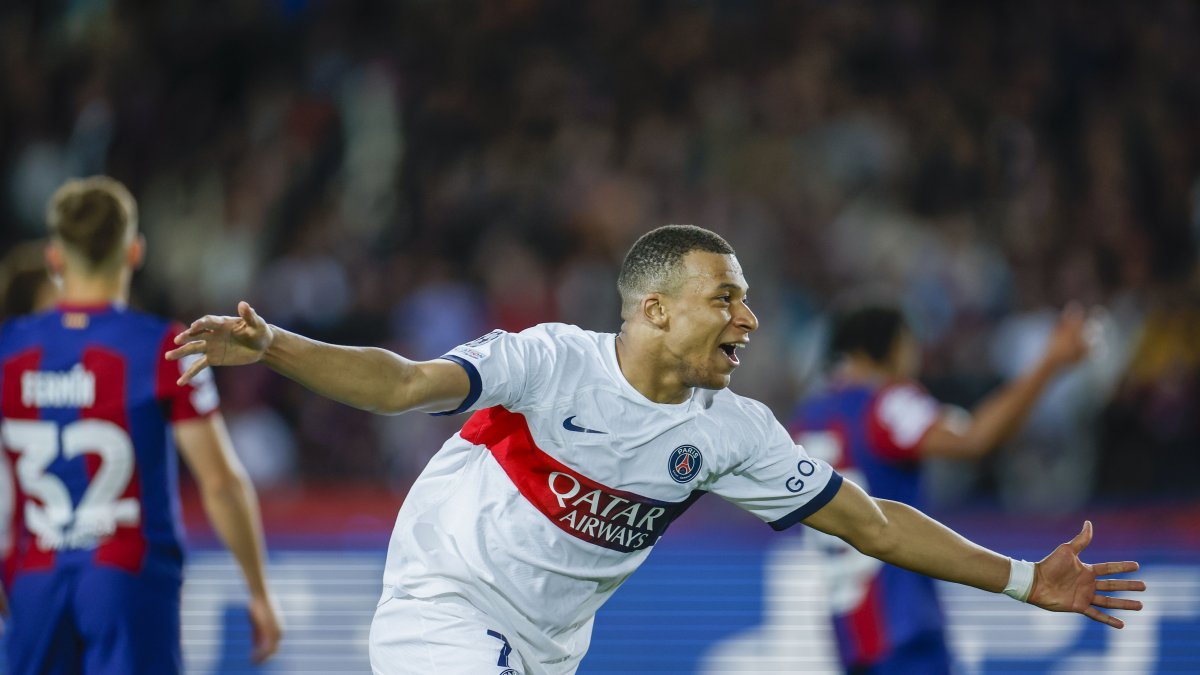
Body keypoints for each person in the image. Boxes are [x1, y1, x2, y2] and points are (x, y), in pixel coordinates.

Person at [169, 224, 1143, 675]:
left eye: (749, 299)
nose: (750, 318)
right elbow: (402, 383)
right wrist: (277, 345)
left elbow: (874, 523)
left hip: (546, 654)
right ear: (654, 308)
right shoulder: (548, 363)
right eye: (728, 298)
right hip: (445, 613)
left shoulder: (732, 435)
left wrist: (1023, 580)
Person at [0, 177, 282, 673]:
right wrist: (258, 591)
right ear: (134, 251)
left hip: (34, 577)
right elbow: (220, 482)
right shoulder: (162, 347)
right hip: (126, 578)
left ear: (55, 257)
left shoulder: (9, 349)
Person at [789, 304, 1093, 674]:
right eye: (908, 344)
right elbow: (975, 439)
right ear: (882, 348)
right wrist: (1051, 362)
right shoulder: (886, 403)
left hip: (853, 638)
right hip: (904, 630)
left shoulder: (808, 418)